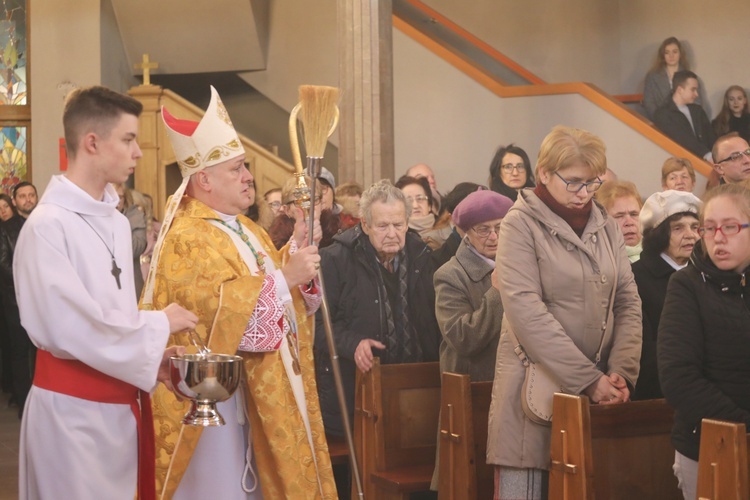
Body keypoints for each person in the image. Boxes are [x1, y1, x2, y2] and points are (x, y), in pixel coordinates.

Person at [146, 86, 336, 499]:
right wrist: (286, 279)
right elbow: (213, 319)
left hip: (260, 393)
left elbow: (268, 287)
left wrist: (297, 253)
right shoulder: (187, 238)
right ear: (204, 179)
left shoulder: (246, 228)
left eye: (246, 166)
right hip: (217, 405)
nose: (249, 176)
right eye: (237, 169)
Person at [12, 85, 198, 500]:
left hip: (120, 410)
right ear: (92, 142)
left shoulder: (114, 221)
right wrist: (158, 324)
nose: (138, 153)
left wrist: (150, 360)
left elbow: (113, 316)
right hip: (71, 418)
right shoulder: (47, 226)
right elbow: (69, 327)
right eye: (129, 139)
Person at [487, 126, 642, 499]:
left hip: (599, 390)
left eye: (593, 183)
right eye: (574, 182)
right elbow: (527, 313)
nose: (584, 193)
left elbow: (627, 300)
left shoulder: (605, 224)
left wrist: (621, 371)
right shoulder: (519, 223)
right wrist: (588, 380)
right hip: (532, 393)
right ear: (543, 173)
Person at [315, 179, 441, 438]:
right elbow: (316, 327)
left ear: (407, 222)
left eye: (398, 225)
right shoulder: (335, 259)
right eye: (382, 226)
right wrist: (354, 343)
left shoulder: (422, 255)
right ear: (365, 225)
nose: (392, 234)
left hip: (414, 388)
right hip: (356, 390)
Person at [658, 183, 750, 500]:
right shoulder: (686, 285)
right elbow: (678, 377)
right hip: (708, 447)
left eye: (730, 227)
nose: (717, 237)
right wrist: (744, 427)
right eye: (708, 228)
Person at [429, 188, 513, 490]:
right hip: (473, 392)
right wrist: (496, 293)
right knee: (472, 484)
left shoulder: (522, 265)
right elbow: (463, 337)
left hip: (515, 389)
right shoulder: (450, 275)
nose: (494, 237)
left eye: (501, 227)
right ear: (464, 232)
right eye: (483, 229)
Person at [631, 190, 701, 401]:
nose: (691, 235)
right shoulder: (637, 278)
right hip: (661, 395)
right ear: (658, 235)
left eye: (695, 227)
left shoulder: (707, 274)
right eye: (678, 228)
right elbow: (645, 351)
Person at [0, 181, 39, 416]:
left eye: (31, 195)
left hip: (42, 299)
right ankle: (25, 403)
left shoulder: (45, 222)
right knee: (19, 350)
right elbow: (4, 262)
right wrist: (27, 280)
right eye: (22, 196)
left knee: (40, 349)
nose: (28, 200)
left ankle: (41, 401)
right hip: (15, 297)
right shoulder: (6, 228)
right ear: (15, 201)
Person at [653, 70, 716, 161]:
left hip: (708, 161)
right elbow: (682, 139)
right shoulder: (663, 114)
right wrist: (706, 154)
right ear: (680, 90)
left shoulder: (697, 110)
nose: (696, 94)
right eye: (693, 89)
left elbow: (711, 137)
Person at [643, 37, 704, 120]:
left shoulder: (690, 77)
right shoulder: (652, 76)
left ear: (680, 54)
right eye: (667, 52)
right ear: (662, 55)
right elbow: (649, 103)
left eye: (674, 52)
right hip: (660, 122)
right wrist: (661, 119)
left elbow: (697, 101)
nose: (671, 56)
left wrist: (685, 119)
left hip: (685, 121)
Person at [430, 182, 486, 269]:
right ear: (452, 219)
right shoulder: (438, 260)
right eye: (469, 215)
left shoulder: (503, 249)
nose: (479, 222)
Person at [595, 180, 644, 262]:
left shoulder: (659, 253)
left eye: (634, 214)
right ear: (602, 221)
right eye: (619, 216)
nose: (629, 222)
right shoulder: (598, 260)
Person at [114, 182, 148, 298]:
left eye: (121, 197)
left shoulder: (134, 216)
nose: (117, 201)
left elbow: (137, 248)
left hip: (131, 282)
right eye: (113, 196)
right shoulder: (96, 218)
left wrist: (117, 221)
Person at [394, 175, 437, 245]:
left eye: (420, 198)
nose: (415, 206)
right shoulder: (394, 239)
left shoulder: (445, 235)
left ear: (429, 205)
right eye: (408, 201)